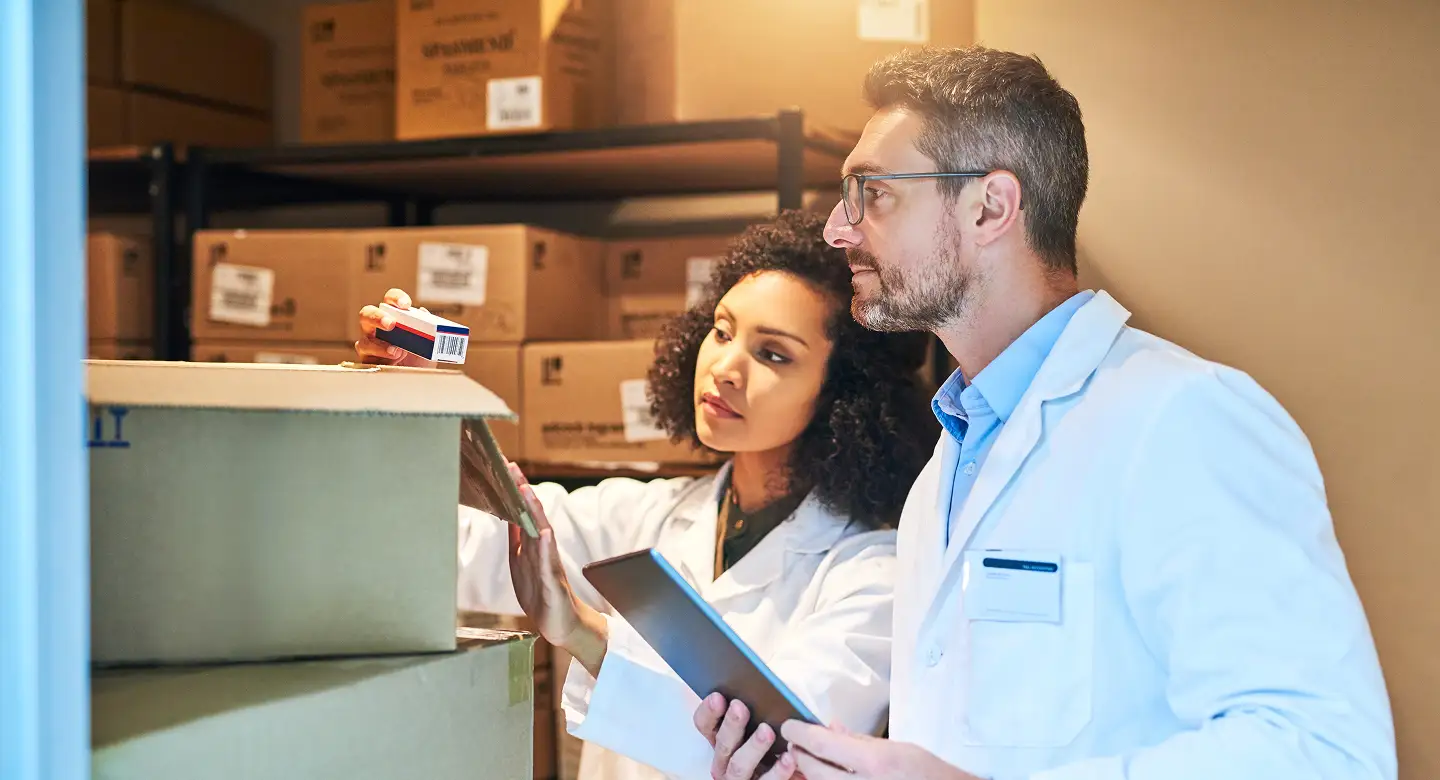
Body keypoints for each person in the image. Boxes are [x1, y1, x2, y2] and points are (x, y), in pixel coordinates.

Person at [700, 47, 1397, 780]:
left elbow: (1326, 753)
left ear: (990, 206)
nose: (839, 230)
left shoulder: (1184, 416)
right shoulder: (945, 469)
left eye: (872, 193)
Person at [353, 210, 939, 780]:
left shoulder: (875, 573)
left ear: (845, 396)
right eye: (722, 331)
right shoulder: (651, 515)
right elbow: (463, 544)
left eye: (773, 354)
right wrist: (412, 402)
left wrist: (585, 632)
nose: (726, 368)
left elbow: (773, 749)